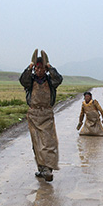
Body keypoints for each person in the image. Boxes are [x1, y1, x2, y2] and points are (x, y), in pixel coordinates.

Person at [19, 49, 63, 182]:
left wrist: (50, 67)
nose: (39, 70)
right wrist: (30, 66)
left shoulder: (50, 81)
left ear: (45, 69)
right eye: (37, 68)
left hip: (46, 114)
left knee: (49, 142)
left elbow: (59, 79)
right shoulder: (30, 81)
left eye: (42, 68)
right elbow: (22, 80)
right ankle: (41, 167)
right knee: (37, 143)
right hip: (33, 114)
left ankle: (48, 169)